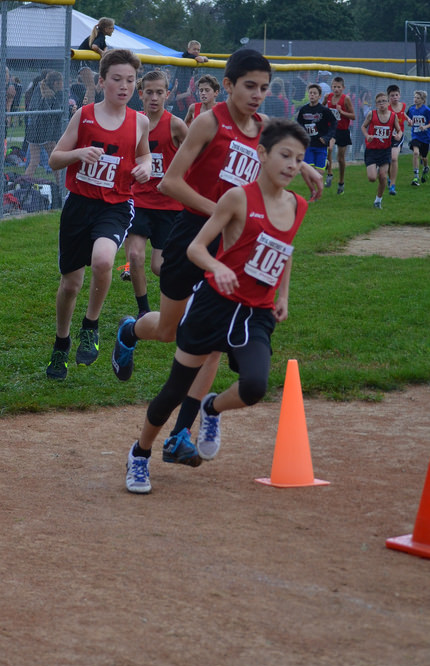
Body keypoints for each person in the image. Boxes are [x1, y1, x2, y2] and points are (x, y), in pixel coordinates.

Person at [111, 49, 323, 465]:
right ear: (228, 86)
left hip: (229, 243)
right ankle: (131, 331)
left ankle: (181, 434)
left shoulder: (264, 129)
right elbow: (171, 182)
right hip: (192, 232)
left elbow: (287, 145)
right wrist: (227, 214)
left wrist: (308, 169)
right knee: (170, 331)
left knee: (209, 341)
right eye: (249, 86)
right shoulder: (210, 122)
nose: (258, 95)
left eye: (264, 87)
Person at [125, 119, 310, 494]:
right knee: (174, 391)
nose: (292, 165)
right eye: (285, 156)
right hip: (214, 304)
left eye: (299, 159)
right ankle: (140, 452)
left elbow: (285, 249)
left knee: (255, 386)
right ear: (262, 154)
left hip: (256, 312)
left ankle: (211, 409)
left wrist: (284, 296)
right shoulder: (238, 198)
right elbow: (196, 247)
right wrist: (217, 265)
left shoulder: (297, 204)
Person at [45, 49, 151, 380]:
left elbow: (145, 156)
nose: (124, 87)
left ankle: (91, 325)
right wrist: (79, 153)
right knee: (71, 284)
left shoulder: (140, 122)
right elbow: (55, 158)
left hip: (116, 204)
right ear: (102, 81)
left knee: (105, 260)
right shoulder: (85, 116)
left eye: (130, 81)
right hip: (79, 204)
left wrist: (145, 168)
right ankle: (62, 343)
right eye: (117, 79)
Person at [119, 69, 187, 322]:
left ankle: (183, 304)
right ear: (141, 94)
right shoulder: (133, 122)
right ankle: (143, 310)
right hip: (138, 201)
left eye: (160, 92)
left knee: (160, 267)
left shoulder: (176, 125)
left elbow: (195, 154)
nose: (155, 98)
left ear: (168, 94)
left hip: (169, 205)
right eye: (149, 92)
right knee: (135, 256)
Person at [361, 92, 399, 209]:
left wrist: (398, 135)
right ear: (376, 104)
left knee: (382, 176)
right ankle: (378, 172)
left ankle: (378, 201)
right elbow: (363, 127)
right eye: (379, 102)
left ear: (388, 103)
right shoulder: (371, 115)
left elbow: (399, 130)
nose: (382, 104)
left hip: (385, 150)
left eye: (384, 101)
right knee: (372, 178)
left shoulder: (393, 116)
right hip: (372, 150)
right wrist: (367, 136)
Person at [24, 70, 65, 178]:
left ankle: (25, 185)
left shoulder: (40, 89)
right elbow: (57, 113)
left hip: (34, 130)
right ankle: (60, 188)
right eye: (61, 82)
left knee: (34, 161)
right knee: (55, 160)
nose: (63, 85)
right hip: (45, 132)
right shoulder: (48, 94)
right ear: (56, 83)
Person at [295, 84, 337, 172]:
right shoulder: (303, 110)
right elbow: (299, 123)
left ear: (319, 96)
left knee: (319, 173)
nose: (312, 95)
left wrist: (327, 137)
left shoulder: (324, 110)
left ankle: (325, 163)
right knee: (309, 171)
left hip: (321, 144)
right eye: (310, 93)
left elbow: (334, 123)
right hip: (309, 144)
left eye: (315, 93)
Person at [324, 76, 355, 193]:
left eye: (338, 87)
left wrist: (341, 112)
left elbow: (353, 116)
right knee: (329, 149)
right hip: (331, 129)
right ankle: (330, 173)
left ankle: (341, 182)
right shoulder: (328, 97)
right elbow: (321, 108)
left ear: (343, 88)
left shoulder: (345, 99)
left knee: (340, 159)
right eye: (334, 87)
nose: (336, 89)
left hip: (343, 130)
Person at [170, 41, 208, 120]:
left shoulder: (191, 59)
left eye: (198, 50)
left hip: (186, 96)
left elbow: (204, 59)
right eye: (194, 49)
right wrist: (203, 58)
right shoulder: (187, 58)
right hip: (181, 92)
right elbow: (200, 59)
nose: (196, 51)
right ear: (188, 49)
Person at [407, 90, 430, 185]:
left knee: (424, 158)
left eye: (418, 98)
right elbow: (407, 117)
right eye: (415, 97)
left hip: (425, 137)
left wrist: (425, 127)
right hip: (415, 136)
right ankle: (416, 177)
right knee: (416, 153)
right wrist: (409, 122)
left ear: (423, 100)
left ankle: (426, 167)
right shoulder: (411, 109)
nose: (415, 99)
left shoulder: (426, 110)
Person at [386, 83, 406, 196]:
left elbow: (402, 116)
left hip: (398, 136)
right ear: (388, 97)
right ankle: (389, 177)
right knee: (387, 161)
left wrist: (408, 119)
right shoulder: (386, 108)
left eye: (396, 95)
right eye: (392, 95)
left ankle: (392, 186)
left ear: (400, 95)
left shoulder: (403, 105)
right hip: (387, 136)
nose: (394, 97)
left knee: (394, 158)